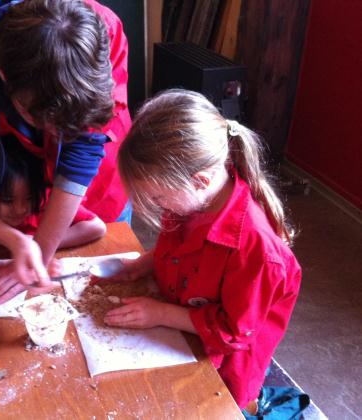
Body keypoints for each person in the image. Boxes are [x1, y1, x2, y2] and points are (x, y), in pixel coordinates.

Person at [99, 90, 303, 415]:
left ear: (199, 180)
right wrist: (146, 262)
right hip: (180, 333)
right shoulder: (192, 200)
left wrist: (160, 314)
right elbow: (180, 248)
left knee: (203, 409)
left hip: (223, 368)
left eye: (158, 198)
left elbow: (232, 333)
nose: (156, 207)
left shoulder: (259, 252)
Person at [0, 0, 131, 305]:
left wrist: (41, 249)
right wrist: (15, 239)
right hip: (34, 189)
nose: (58, 132)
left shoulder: (102, 29)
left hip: (102, 182)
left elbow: (85, 148)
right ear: (3, 76)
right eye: (48, 122)